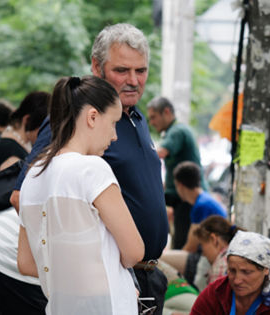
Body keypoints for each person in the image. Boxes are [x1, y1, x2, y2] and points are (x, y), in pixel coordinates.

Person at [10, 23, 170, 312]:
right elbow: (25, 196)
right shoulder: (75, 124)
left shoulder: (138, 120)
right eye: (122, 70)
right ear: (96, 67)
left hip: (143, 277)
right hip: (115, 283)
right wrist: (91, 274)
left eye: (141, 70)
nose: (133, 80)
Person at [17, 76, 145, 314]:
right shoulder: (92, 169)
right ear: (93, 117)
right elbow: (134, 251)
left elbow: (25, 262)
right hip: (106, 306)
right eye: (114, 122)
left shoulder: (32, 176)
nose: (115, 136)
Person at [190, 231, 270, 314]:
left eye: (246, 272)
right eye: (232, 270)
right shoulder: (215, 293)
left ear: (266, 269)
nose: (237, 280)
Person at [147, 96, 207, 250]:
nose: (152, 122)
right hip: (182, 197)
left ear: (166, 112)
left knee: (182, 245)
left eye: (154, 117)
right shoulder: (175, 131)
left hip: (187, 200)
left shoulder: (177, 131)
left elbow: (158, 153)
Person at [174, 161, 227, 252]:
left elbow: (191, 247)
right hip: (215, 252)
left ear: (180, 185)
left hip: (210, 256)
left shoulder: (201, 206)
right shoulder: (204, 199)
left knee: (158, 260)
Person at [0, 92, 49, 172]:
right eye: (43, 127)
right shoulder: (8, 148)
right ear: (27, 119)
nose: (45, 133)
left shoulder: (20, 142)